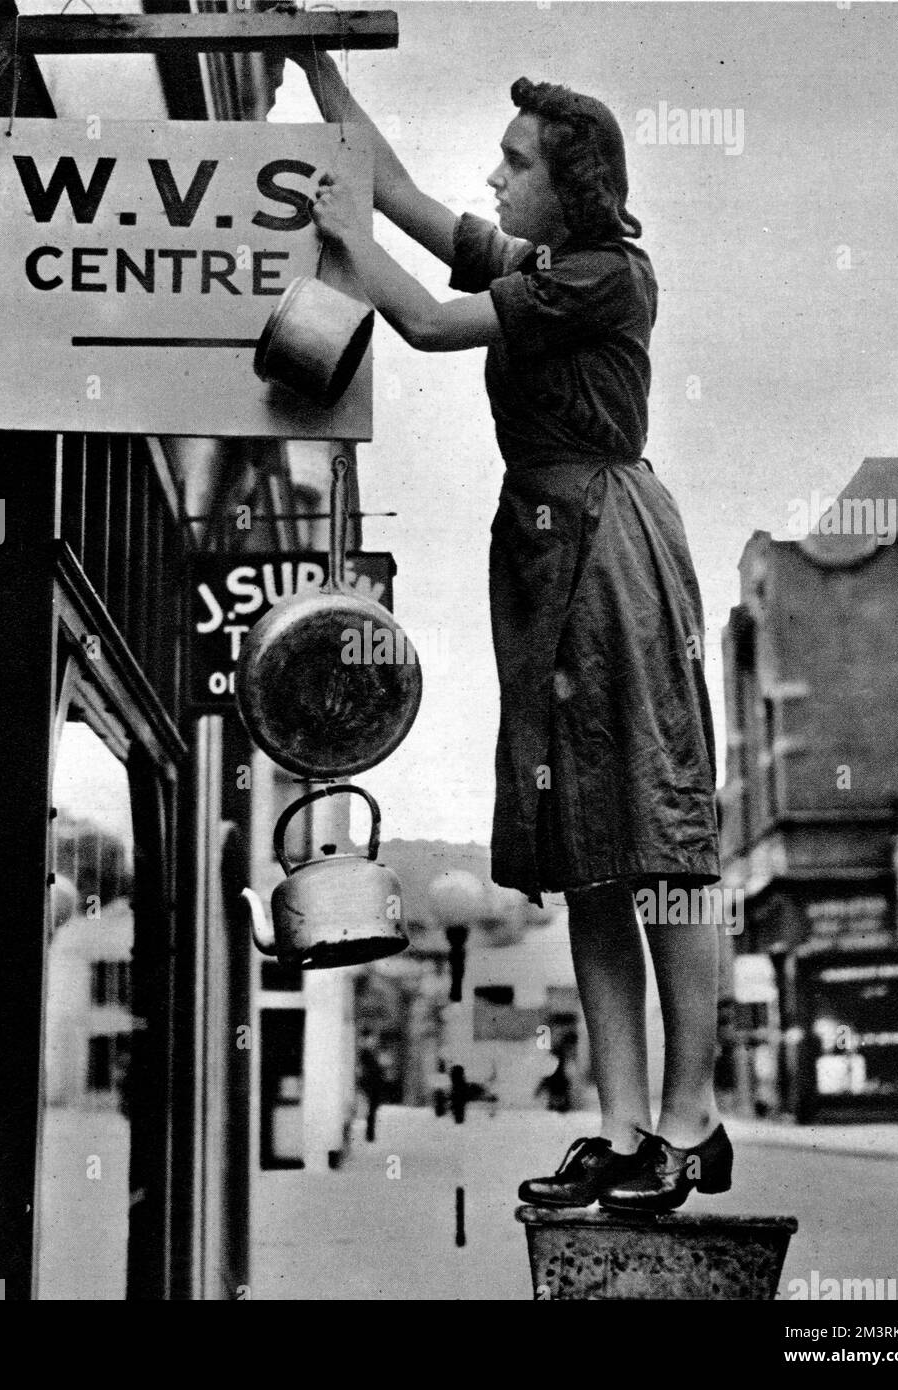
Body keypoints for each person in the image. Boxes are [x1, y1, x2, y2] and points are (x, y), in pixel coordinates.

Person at [289, 51, 730, 1213]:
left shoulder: (604, 273)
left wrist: (347, 247)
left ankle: (692, 1116)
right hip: (545, 546)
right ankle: (625, 1126)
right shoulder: (537, 263)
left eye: (514, 161)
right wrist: (312, 66)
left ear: (569, 182)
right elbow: (386, 187)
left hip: (605, 542)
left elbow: (429, 322)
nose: (492, 175)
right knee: (585, 849)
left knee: (660, 837)